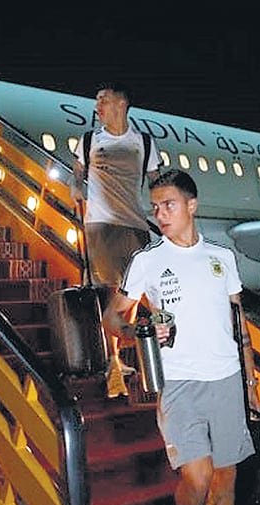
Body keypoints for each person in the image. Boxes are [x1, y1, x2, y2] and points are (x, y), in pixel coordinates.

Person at [104, 170, 259, 505]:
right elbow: (112, 316)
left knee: (224, 479)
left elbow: (240, 324)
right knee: (198, 474)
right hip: (179, 383)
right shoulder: (147, 260)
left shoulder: (221, 257)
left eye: (169, 205)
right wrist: (136, 330)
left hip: (227, 381)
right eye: (155, 207)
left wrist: (250, 383)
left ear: (192, 206)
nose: (160, 215)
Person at [71, 82, 162, 398]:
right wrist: (75, 185)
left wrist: (165, 204)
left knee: (133, 293)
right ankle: (113, 361)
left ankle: (122, 354)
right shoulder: (89, 140)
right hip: (102, 224)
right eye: (96, 100)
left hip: (134, 224)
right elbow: (77, 171)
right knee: (113, 291)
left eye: (104, 100)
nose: (98, 106)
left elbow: (155, 181)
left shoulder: (144, 143)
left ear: (121, 105)